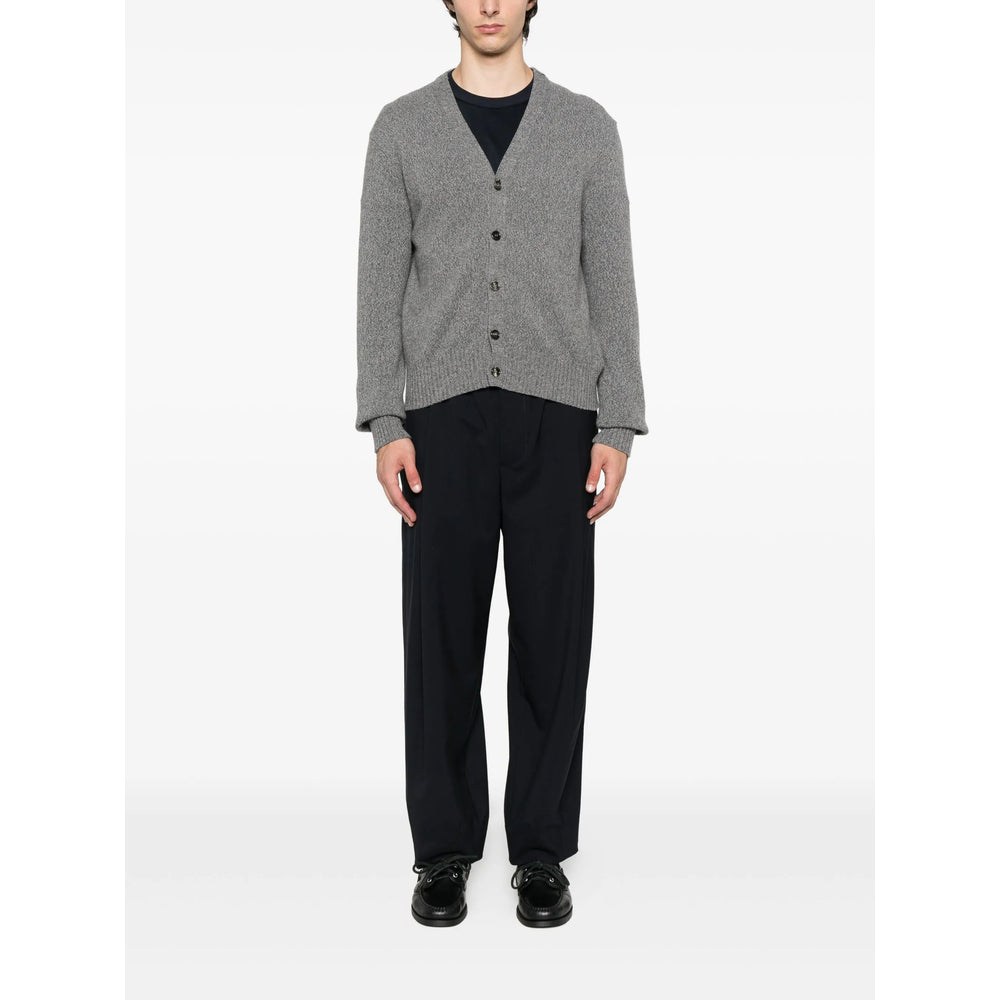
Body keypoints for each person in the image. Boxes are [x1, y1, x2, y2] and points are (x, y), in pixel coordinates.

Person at [354, 0, 648, 928]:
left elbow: (613, 280)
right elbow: (376, 285)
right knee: (440, 637)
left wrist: (618, 423)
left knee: (553, 638)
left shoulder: (587, 129)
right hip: (439, 423)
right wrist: (386, 420)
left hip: (560, 419)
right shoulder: (400, 129)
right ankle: (443, 848)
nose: (488, 3)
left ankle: (541, 850)